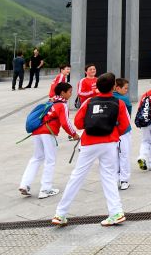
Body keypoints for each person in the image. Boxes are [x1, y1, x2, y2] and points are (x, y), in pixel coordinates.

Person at [52, 72, 129, 227]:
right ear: (114, 86)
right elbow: (125, 125)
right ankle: (116, 212)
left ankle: (60, 214)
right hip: (109, 143)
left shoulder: (89, 101)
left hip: (89, 143)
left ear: (98, 87)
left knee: (77, 176)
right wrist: (113, 132)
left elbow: (79, 123)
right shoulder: (118, 103)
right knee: (109, 176)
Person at [19, 81, 79, 200]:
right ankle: (45, 189)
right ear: (63, 93)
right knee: (50, 160)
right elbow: (65, 122)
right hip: (48, 133)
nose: (71, 94)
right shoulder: (62, 104)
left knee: (36, 158)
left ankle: (24, 184)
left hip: (37, 132)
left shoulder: (51, 101)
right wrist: (74, 134)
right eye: (70, 92)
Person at [112, 78, 132, 190]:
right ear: (117, 88)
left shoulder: (106, 98)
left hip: (112, 132)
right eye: (125, 88)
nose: (126, 90)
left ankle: (115, 179)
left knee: (114, 156)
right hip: (124, 131)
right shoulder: (124, 99)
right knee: (124, 155)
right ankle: (124, 180)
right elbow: (128, 114)